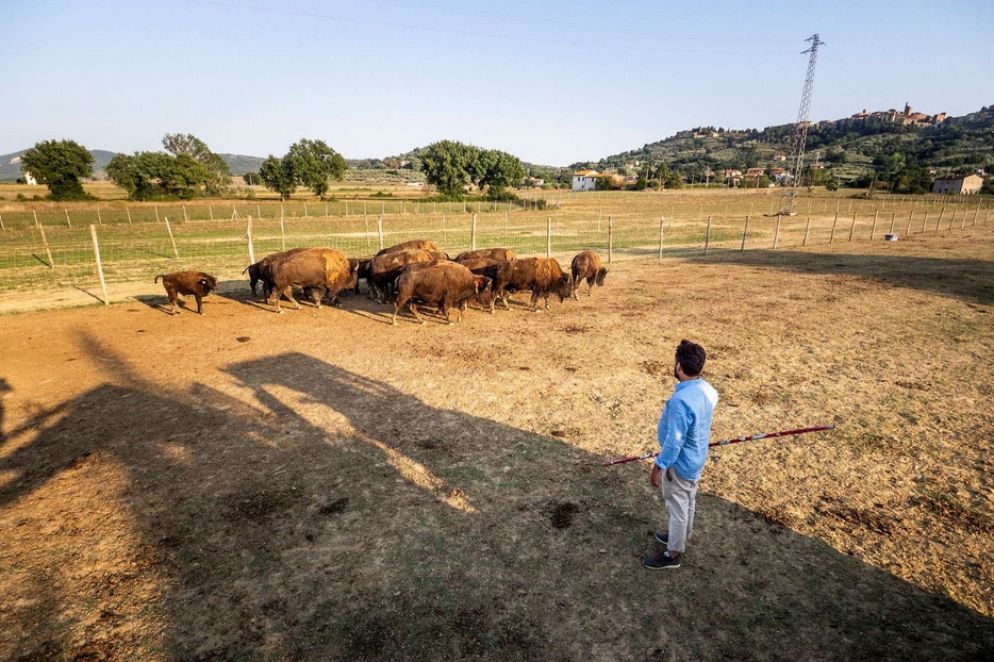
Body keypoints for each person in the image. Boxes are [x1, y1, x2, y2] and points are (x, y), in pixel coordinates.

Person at [643, 340, 718, 570]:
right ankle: (681, 535)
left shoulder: (680, 401)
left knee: (677, 506)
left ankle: (673, 553)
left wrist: (658, 466)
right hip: (696, 457)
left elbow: (674, 442)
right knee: (688, 500)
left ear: (678, 366)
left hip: (681, 464)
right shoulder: (707, 389)